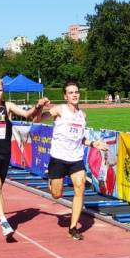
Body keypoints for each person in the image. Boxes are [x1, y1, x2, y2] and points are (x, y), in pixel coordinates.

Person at [0, 75, 49, 238]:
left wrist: (38, 105)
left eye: (0, 90)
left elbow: (27, 114)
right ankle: (4, 221)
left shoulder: (8, 106)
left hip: (4, 153)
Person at [35, 80, 108, 240]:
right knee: (56, 194)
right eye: (71, 93)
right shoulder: (59, 110)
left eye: (76, 92)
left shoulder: (83, 115)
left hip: (76, 159)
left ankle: (73, 228)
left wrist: (93, 143)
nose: (74, 95)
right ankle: (51, 179)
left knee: (80, 188)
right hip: (58, 158)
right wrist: (39, 107)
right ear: (65, 96)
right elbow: (37, 120)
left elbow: (81, 138)